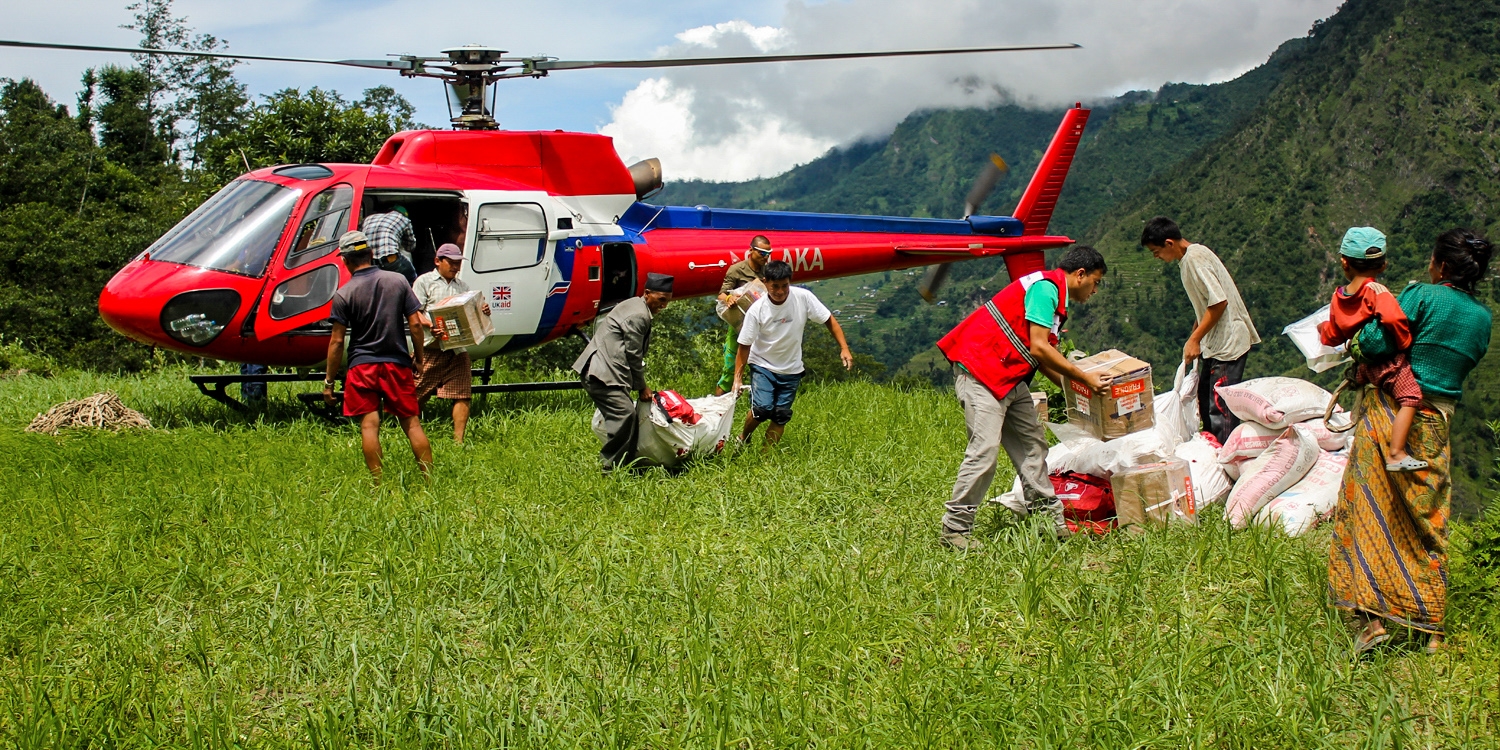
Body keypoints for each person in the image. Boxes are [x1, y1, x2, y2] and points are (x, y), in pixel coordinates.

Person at [1328, 229, 1492, 655]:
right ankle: (1431, 627)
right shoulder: (1483, 318)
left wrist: (1358, 345)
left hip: (1391, 408)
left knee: (1367, 506)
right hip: (1438, 419)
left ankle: (1372, 620)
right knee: (1427, 515)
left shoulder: (1422, 296)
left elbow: (1379, 341)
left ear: (1440, 265)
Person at [935, 246, 1109, 550]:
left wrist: (1077, 394)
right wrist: (1084, 378)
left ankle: (1048, 523)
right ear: (1080, 275)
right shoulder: (1045, 289)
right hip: (981, 373)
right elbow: (1041, 348)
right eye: (1095, 282)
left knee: (1033, 448)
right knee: (984, 451)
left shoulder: (1053, 300)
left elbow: (1042, 357)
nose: (1095, 290)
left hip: (1009, 378)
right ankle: (955, 530)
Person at [323, 230, 433, 479]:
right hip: (397, 363)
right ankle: (429, 480)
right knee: (412, 424)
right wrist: (419, 359)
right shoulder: (397, 281)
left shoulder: (344, 293)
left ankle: (378, 484)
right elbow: (416, 324)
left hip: (362, 366)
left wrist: (329, 382)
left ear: (345, 260)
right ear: (371, 254)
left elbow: (337, 341)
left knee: (369, 426)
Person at [1141, 216, 1260, 443]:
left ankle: (1224, 463)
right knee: (1205, 402)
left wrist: (1195, 339)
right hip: (1215, 344)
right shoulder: (1189, 259)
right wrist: (1194, 337)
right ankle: (1212, 451)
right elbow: (1205, 306)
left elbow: (1218, 303)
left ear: (1169, 243)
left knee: (1220, 411)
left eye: (1156, 251)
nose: (1156, 257)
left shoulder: (1195, 259)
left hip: (1228, 344)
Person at [1316, 227, 1425, 471]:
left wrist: (1320, 328)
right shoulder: (1377, 293)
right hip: (1388, 365)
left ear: (1345, 263)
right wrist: (1405, 343)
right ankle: (1396, 454)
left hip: (1363, 368)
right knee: (1411, 397)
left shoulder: (1338, 297)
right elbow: (1395, 320)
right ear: (1383, 265)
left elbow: (1332, 336)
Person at [729, 259, 852, 446]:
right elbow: (744, 345)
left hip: (791, 368)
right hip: (763, 364)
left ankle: (765, 459)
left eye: (784, 286)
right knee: (762, 409)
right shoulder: (757, 310)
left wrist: (844, 348)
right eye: (775, 286)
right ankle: (742, 439)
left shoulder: (803, 297)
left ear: (790, 282)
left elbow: (828, 319)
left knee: (781, 415)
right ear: (765, 282)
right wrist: (738, 378)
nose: (780, 291)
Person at [572, 273, 675, 472]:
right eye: (661, 300)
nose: (664, 306)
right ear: (647, 293)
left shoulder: (635, 305)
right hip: (601, 374)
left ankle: (629, 464)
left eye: (667, 301)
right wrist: (642, 386)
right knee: (625, 415)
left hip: (605, 372)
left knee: (628, 416)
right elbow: (633, 354)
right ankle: (610, 468)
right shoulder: (639, 315)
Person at [412, 243, 490, 444]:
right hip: (431, 348)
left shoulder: (462, 286)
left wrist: (483, 310)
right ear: (438, 261)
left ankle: (458, 441)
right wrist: (431, 325)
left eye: (458, 263)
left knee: (462, 393)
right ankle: (409, 431)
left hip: (456, 349)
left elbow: (471, 311)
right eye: (451, 263)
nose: (455, 267)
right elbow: (414, 312)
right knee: (415, 394)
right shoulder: (424, 282)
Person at [714, 235, 772, 395]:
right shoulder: (737, 270)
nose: (765, 257)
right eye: (761, 253)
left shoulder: (768, 271)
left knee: (762, 367)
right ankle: (719, 408)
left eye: (768, 253)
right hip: (740, 326)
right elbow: (721, 294)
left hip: (762, 326)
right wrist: (729, 298)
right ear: (751, 250)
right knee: (730, 369)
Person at [362, 205, 417, 284]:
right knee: (411, 278)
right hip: (390, 260)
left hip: (369, 262)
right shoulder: (404, 219)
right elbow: (410, 246)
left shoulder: (369, 218)